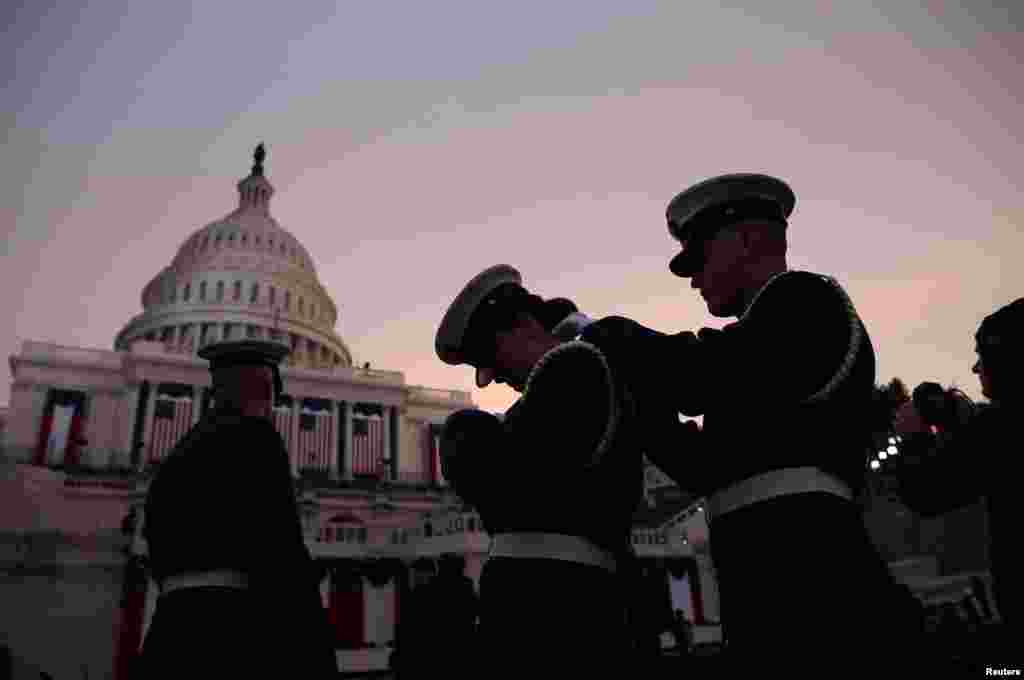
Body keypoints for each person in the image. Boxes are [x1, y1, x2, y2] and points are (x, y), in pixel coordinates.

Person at [625, 173, 923, 673]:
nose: (694, 279)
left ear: (747, 240)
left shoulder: (804, 300)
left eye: (700, 259)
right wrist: (638, 405)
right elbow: (705, 469)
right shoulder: (756, 348)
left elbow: (696, 375)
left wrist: (613, 338)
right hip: (767, 582)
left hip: (813, 578)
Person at [434, 265, 645, 675]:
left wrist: (467, 434)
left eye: (490, 357)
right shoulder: (548, 393)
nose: (492, 378)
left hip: (560, 610)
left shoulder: (578, 366)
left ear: (520, 328)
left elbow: (520, 480)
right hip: (553, 602)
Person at [137, 340, 338, 679]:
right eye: (271, 396)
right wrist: (315, 651)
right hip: (230, 631)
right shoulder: (256, 436)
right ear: (261, 389)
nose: (273, 408)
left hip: (168, 631)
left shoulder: (176, 456)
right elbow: (279, 548)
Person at [893, 298, 1023, 667]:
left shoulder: (1000, 429)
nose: (975, 368)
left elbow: (926, 493)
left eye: (983, 357)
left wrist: (913, 438)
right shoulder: (997, 427)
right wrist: (961, 425)